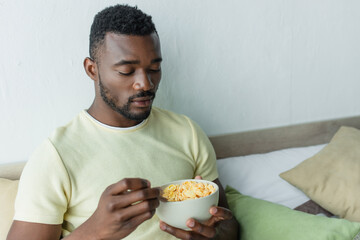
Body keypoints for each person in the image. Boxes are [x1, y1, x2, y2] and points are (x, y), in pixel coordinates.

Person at [7, 4, 239, 240]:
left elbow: (229, 224)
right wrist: (93, 232)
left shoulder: (187, 132)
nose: (146, 84)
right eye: (127, 71)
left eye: (154, 68)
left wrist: (214, 234)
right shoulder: (57, 156)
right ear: (92, 69)